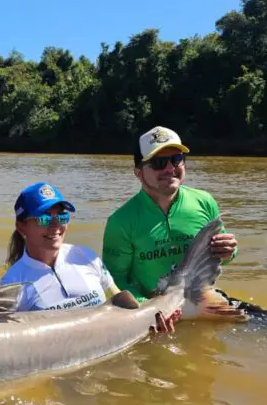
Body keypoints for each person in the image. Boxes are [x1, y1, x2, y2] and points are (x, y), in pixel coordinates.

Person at [1, 182, 179, 332]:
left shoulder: (85, 256)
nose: (56, 226)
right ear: (22, 227)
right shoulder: (12, 284)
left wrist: (153, 320)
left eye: (62, 216)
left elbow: (122, 301)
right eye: (45, 219)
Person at [102, 126, 238, 303]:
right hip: (152, 311)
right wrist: (151, 309)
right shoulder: (121, 221)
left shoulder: (204, 202)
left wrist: (229, 252)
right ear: (139, 173)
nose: (169, 169)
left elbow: (220, 259)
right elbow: (115, 282)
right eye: (159, 163)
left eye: (176, 159)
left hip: (202, 302)